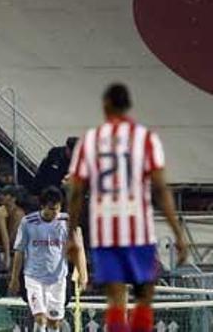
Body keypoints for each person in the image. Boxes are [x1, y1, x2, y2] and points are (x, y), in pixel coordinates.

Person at [66, 83, 187, 332]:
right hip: (138, 230)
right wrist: (178, 232)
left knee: (116, 300)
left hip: (106, 232)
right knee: (144, 296)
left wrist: (71, 235)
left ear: (106, 105)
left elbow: (76, 192)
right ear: (128, 105)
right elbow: (161, 190)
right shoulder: (145, 138)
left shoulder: (90, 141)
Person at [10, 187, 87, 332]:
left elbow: (77, 249)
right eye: (51, 209)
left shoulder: (66, 222)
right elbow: (19, 251)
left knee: (54, 323)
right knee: (40, 317)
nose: (54, 213)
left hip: (57, 279)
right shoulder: (28, 223)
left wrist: (83, 274)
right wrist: (14, 278)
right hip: (34, 278)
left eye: (57, 209)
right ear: (42, 206)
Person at [1, 185, 26, 250]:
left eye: (5, 195)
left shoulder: (18, 214)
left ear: (13, 198)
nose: (1, 197)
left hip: (15, 250)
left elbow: (12, 238)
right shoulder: (1, 210)